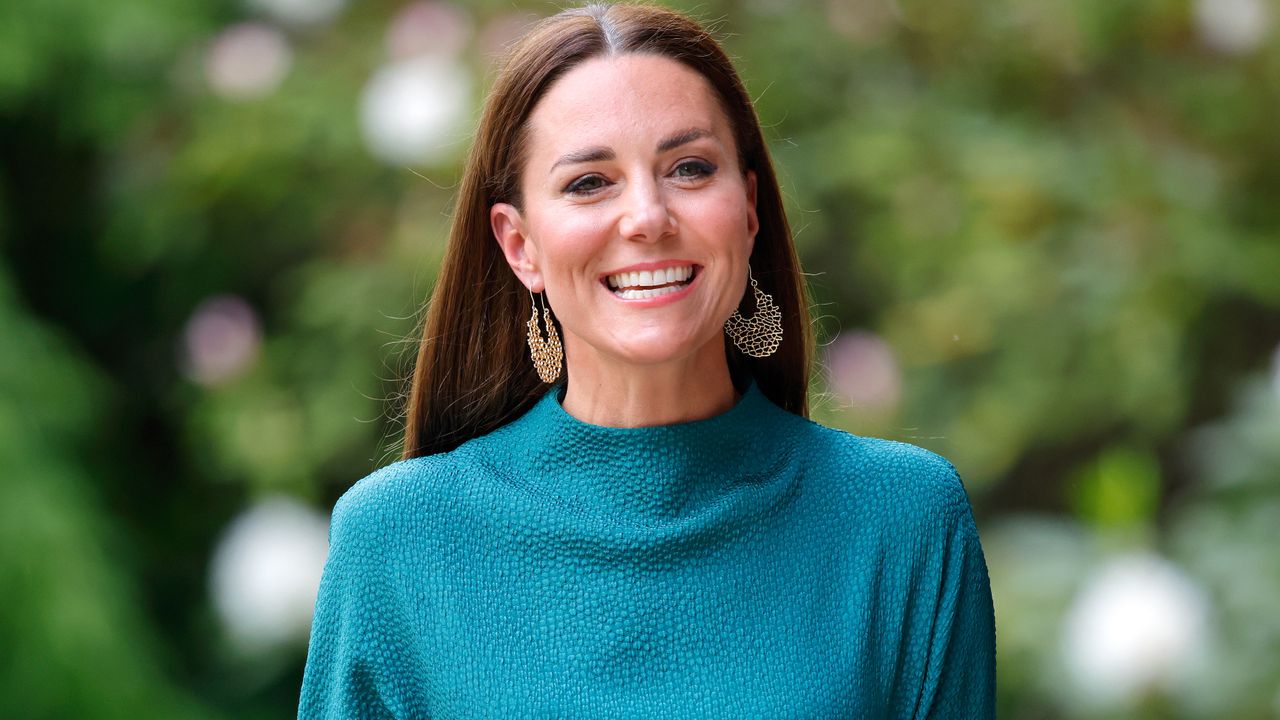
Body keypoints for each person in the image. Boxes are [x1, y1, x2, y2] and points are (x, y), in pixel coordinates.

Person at [298, 3, 996, 718]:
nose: (648, 217)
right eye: (589, 182)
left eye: (689, 169)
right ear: (520, 246)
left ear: (748, 209)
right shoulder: (398, 540)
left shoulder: (901, 522)